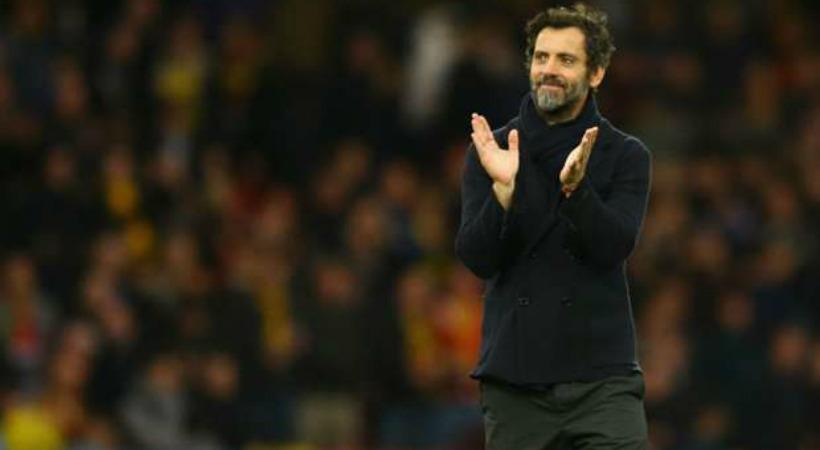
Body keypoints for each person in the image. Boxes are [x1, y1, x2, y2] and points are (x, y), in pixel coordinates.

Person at [455, 3, 652, 448]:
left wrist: (576, 191)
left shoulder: (626, 155)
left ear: (596, 73)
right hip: (516, 384)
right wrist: (504, 195)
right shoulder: (492, 149)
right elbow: (476, 257)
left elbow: (614, 246)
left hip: (602, 381)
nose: (549, 70)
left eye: (566, 59)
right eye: (541, 57)